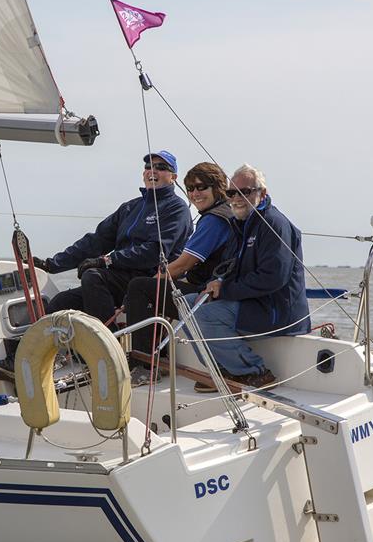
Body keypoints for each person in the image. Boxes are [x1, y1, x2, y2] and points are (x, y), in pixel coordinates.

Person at [184, 163, 310, 392]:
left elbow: (273, 278)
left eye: (246, 191)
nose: (237, 198)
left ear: (263, 193)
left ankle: (255, 372)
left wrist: (226, 290)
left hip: (277, 310)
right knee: (186, 303)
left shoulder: (274, 225)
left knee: (204, 314)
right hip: (254, 302)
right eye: (232, 193)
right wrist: (215, 284)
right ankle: (221, 369)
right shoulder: (241, 224)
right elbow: (230, 268)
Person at [34, 150, 193, 330]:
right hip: (120, 278)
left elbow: (155, 252)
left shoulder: (176, 209)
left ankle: (110, 343)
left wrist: (107, 260)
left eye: (161, 167)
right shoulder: (130, 208)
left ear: (173, 176)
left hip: (149, 281)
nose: (152, 171)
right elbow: (96, 241)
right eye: (148, 166)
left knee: (93, 276)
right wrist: (51, 265)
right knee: (60, 303)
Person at [124, 162, 233, 383]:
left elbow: (183, 264)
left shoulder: (214, 220)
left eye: (201, 187)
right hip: (219, 291)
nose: (194, 194)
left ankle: (144, 367)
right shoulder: (226, 213)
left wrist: (153, 281)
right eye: (190, 188)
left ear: (217, 187)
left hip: (210, 298)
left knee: (140, 288)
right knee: (152, 289)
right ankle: (158, 355)